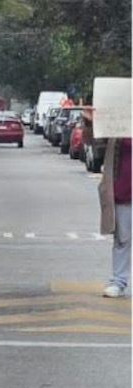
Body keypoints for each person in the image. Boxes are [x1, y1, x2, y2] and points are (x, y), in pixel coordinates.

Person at [80, 106, 130, 298]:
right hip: (123, 192)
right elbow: (90, 141)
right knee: (122, 239)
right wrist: (90, 121)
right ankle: (118, 281)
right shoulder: (115, 125)